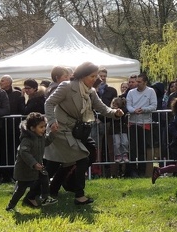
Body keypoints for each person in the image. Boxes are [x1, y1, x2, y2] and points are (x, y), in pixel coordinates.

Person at [44, 62, 125, 205]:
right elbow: (49, 103)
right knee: (79, 158)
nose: (95, 79)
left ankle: (54, 188)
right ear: (82, 75)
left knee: (83, 155)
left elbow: (103, 108)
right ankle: (77, 194)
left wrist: (115, 113)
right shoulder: (66, 87)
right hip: (60, 130)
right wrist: (51, 121)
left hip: (76, 131)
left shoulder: (91, 92)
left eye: (96, 76)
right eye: (92, 76)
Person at [7, 112, 56, 211]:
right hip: (25, 170)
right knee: (21, 190)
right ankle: (11, 206)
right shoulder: (27, 140)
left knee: (44, 176)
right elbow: (24, 153)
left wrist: (53, 133)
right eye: (41, 127)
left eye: (45, 126)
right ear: (32, 128)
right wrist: (33, 163)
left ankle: (45, 197)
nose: (44, 129)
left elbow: (46, 142)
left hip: (37, 167)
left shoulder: (40, 137)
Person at [125, 72, 158, 179]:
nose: (137, 84)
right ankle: (132, 171)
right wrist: (134, 110)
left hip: (145, 123)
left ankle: (142, 171)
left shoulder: (151, 91)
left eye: (139, 82)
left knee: (142, 148)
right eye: (137, 82)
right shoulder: (130, 92)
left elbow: (154, 106)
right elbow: (128, 105)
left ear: (145, 82)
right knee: (133, 148)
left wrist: (143, 110)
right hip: (133, 123)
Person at [110, 96, 130, 163]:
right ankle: (118, 155)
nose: (114, 106)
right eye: (113, 104)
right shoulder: (111, 111)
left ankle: (125, 155)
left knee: (125, 142)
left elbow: (125, 112)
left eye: (116, 105)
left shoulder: (124, 110)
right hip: (115, 130)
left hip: (123, 129)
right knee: (117, 143)